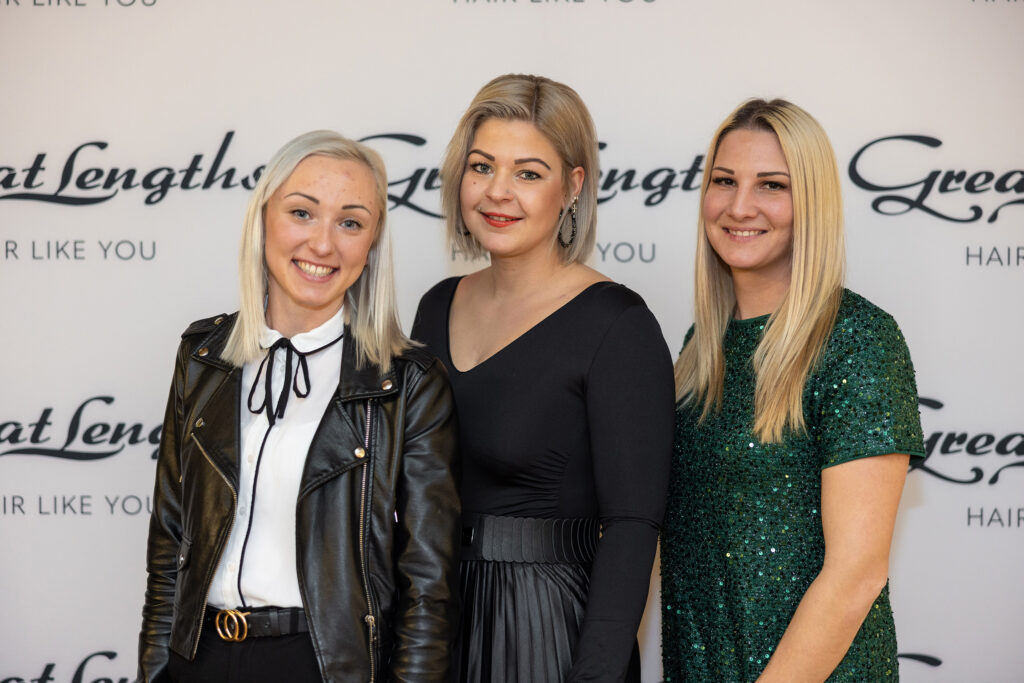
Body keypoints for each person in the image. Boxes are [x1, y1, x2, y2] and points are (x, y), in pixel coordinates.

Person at [137, 130, 460, 683]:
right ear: (263, 219)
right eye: (302, 213)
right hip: (197, 660)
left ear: (371, 244)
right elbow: (169, 545)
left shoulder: (409, 385)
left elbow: (428, 592)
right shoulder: (203, 356)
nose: (323, 244)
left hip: (322, 665)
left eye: (350, 223)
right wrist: (154, 672)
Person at [412, 74, 675, 683]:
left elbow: (633, 528)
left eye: (528, 173)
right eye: (482, 166)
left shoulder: (618, 325)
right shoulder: (434, 307)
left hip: (548, 632)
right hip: (434, 627)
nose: (497, 192)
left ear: (573, 186)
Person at [660, 99, 926, 682]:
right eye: (724, 181)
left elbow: (856, 573)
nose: (740, 206)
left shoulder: (858, 340)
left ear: (812, 203)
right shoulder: (700, 348)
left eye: (771, 185)